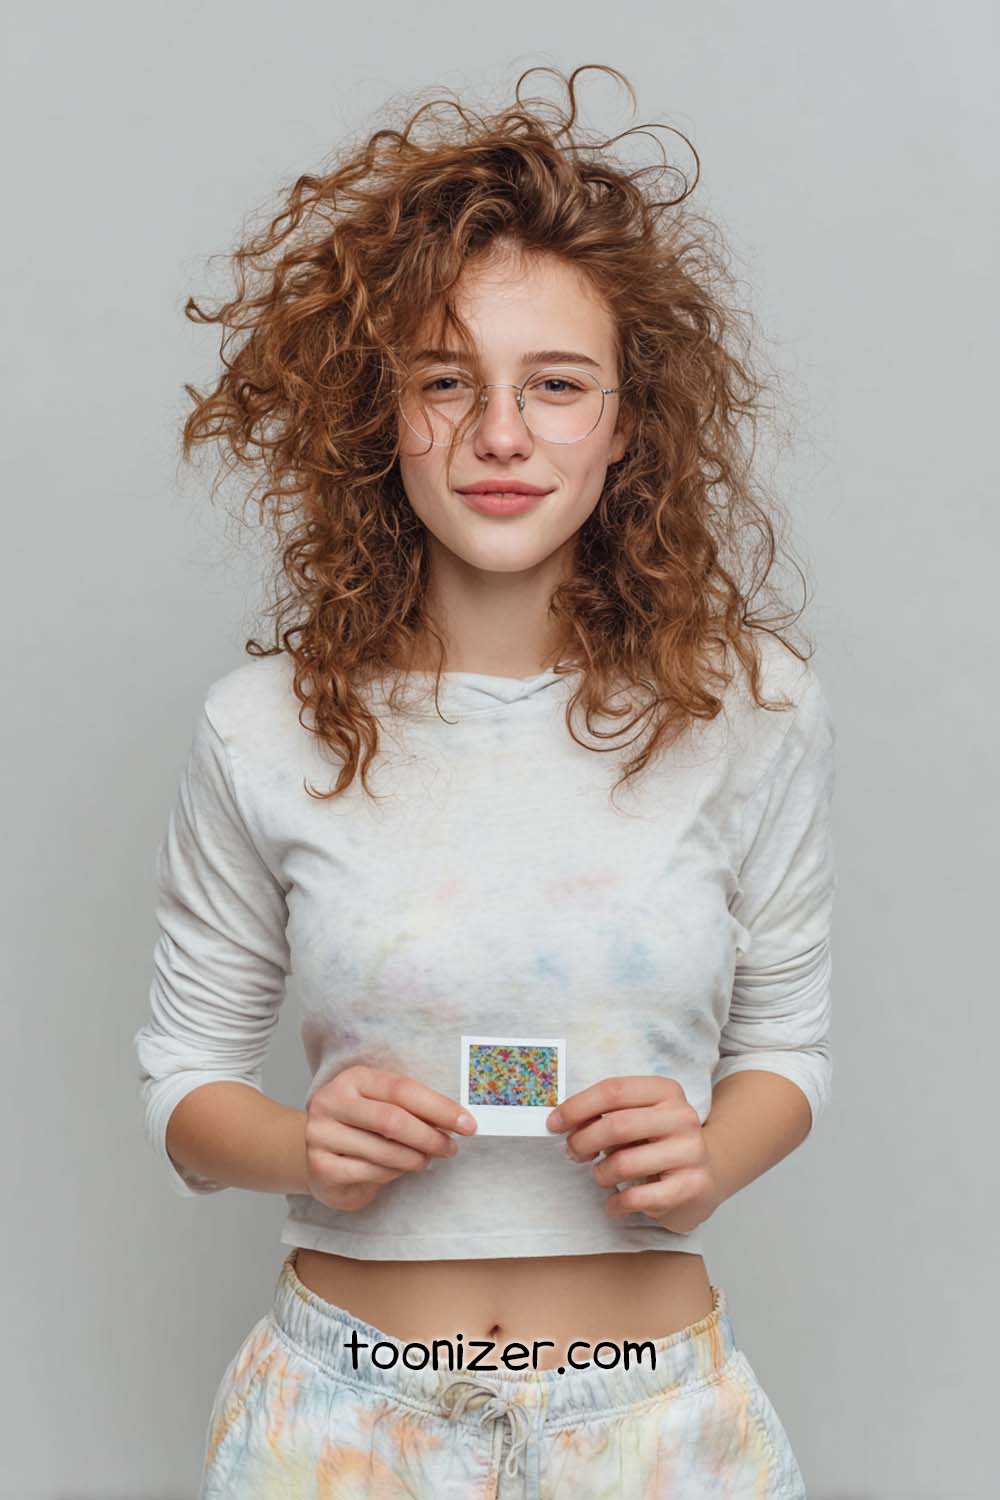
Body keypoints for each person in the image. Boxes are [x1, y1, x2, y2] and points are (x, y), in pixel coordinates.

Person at [134, 64, 835, 1499]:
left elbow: (793, 1052)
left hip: (658, 1433)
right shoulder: (260, 726)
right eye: (444, 382)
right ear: (382, 421)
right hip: (334, 1431)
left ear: (628, 423)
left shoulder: (753, 709)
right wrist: (301, 1147)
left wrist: (706, 1157)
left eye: (555, 385)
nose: (500, 435)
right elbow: (183, 1088)